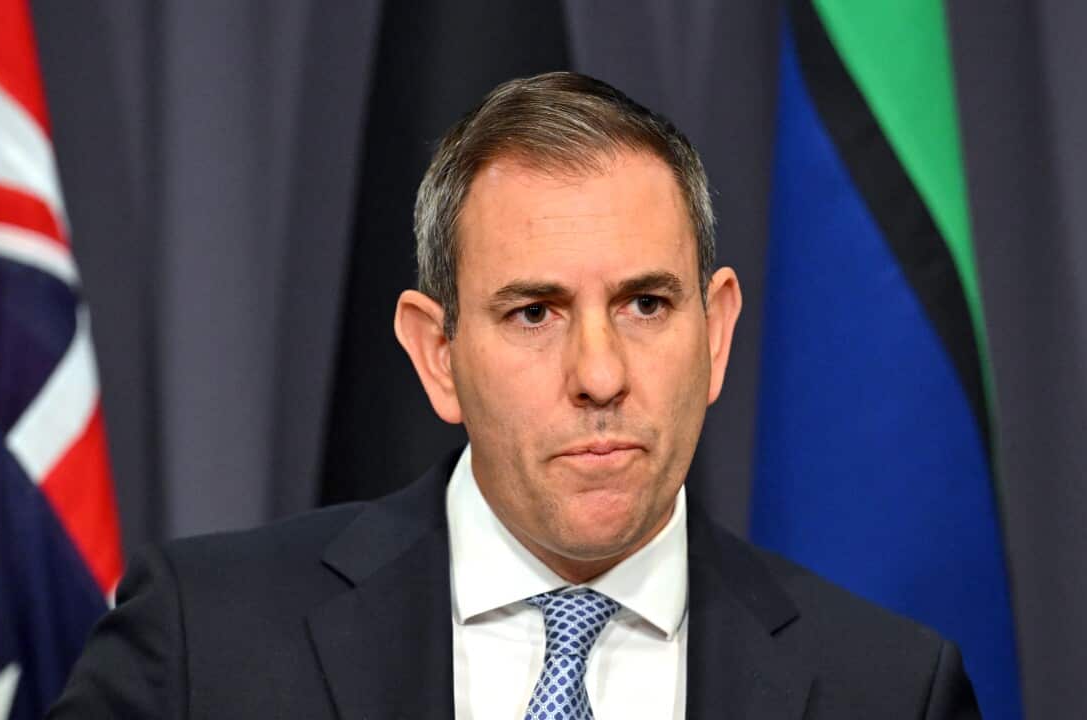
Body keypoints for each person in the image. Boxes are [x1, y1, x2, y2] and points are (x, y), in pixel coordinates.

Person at [51, 72, 980, 719]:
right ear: (437, 354)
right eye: (535, 313)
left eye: (647, 304)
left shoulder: (889, 690)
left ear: (719, 330)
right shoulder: (205, 642)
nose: (602, 374)